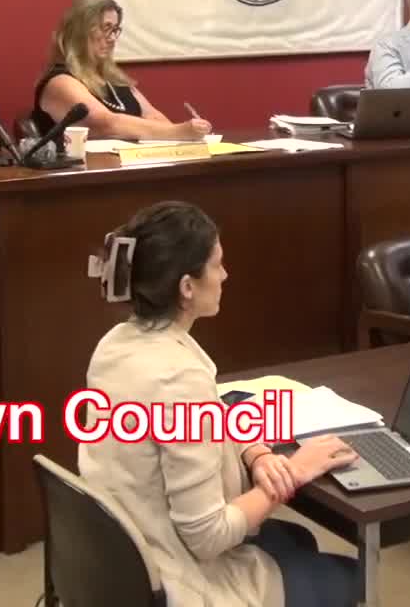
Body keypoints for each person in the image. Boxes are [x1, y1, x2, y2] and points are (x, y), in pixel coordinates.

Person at [80, 201, 363, 607]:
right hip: (179, 576)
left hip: (128, 555)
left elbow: (209, 411)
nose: (225, 275)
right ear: (187, 287)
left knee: (298, 538)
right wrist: (297, 471)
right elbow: (208, 536)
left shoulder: (118, 343)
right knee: (355, 578)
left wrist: (255, 452)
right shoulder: (177, 377)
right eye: (217, 265)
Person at [34, 0, 211, 140]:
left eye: (115, 29)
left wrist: (185, 137)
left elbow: (153, 115)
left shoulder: (114, 79)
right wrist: (179, 132)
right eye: (106, 28)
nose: (112, 38)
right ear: (80, 31)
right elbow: (107, 124)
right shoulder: (59, 82)